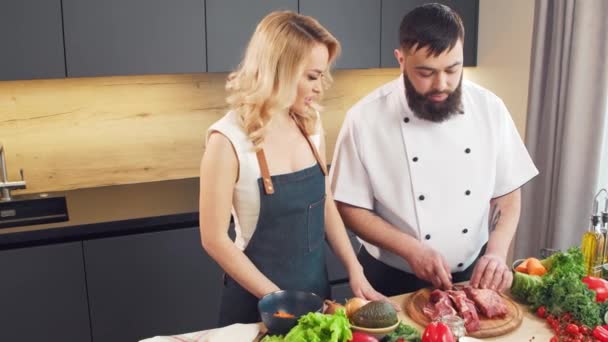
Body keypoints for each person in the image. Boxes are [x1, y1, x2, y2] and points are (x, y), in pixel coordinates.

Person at [330, 3, 538, 297]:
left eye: (453, 69)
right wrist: (411, 250)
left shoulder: (490, 108)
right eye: (426, 72)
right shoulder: (364, 118)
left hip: (471, 278)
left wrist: (496, 252)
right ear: (401, 60)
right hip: (389, 280)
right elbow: (350, 208)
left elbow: (507, 194)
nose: (442, 84)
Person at [199, 11, 387, 326]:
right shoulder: (227, 140)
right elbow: (214, 238)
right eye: (312, 76)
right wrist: (280, 302)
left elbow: (324, 203)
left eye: (323, 76)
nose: (320, 87)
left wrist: (355, 269)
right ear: (280, 71)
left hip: (316, 298)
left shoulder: (310, 125)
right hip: (255, 309)